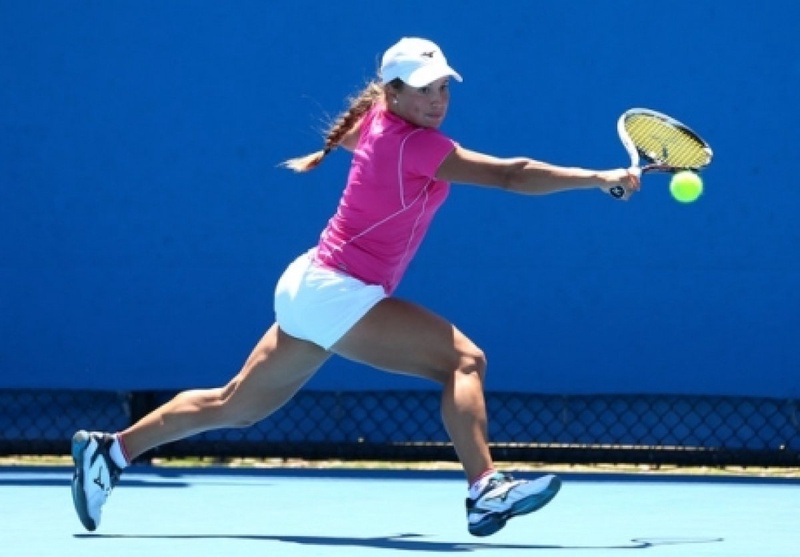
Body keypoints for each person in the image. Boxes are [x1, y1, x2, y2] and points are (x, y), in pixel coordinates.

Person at [70, 36, 640, 537]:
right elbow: (510, 174)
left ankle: (111, 451)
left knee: (235, 406)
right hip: (338, 290)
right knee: (463, 361)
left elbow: (356, 135)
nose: (437, 100)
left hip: (312, 285)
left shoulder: (376, 122)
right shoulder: (416, 145)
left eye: (443, 87)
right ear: (392, 93)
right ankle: (485, 487)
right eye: (422, 90)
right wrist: (598, 178)